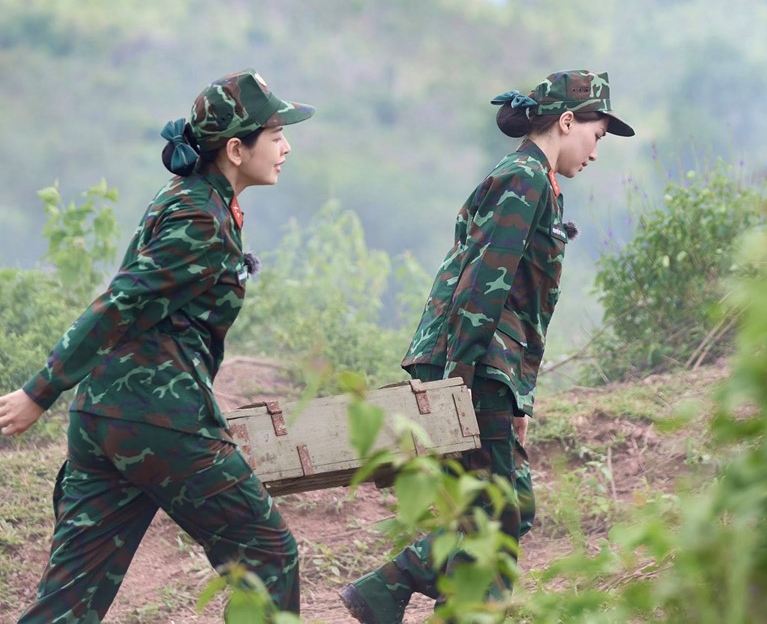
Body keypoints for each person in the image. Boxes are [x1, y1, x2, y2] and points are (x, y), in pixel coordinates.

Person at [0, 69, 314, 622]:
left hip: (105, 417)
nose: (286, 146)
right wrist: (37, 392)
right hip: (159, 419)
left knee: (67, 605)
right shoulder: (199, 216)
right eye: (276, 134)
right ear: (236, 149)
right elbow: (120, 303)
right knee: (270, 557)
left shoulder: (193, 198)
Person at [340, 69, 634, 623]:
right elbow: (484, 284)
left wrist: (512, 395)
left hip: (485, 366)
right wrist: (463, 384)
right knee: (504, 508)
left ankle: (415, 597)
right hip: (475, 363)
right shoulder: (524, 178)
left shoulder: (535, 181)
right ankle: (392, 580)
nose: (596, 152)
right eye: (596, 135)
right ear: (567, 122)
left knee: (488, 510)